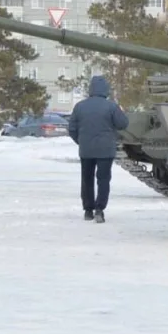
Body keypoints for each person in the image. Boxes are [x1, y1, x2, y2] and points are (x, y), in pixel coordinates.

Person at [67, 75, 129, 223]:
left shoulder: (80, 106)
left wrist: (81, 141)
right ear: (106, 90)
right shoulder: (111, 106)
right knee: (103, 179)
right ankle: (99, 210)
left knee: (87, 179)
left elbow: (72, 128)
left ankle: (88, 210)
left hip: (86, 150)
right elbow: (123, 124)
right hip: (105, 149)